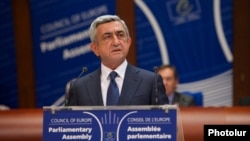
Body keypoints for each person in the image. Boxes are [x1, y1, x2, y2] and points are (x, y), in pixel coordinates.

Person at [66, 15, 169, 106]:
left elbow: (165, 123)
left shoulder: (151, 82)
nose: (116, 42)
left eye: (120, 35)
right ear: (95, 48)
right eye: (107, 37)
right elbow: (69, 125)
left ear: (128, 42)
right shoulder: (79, 87)